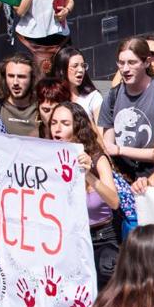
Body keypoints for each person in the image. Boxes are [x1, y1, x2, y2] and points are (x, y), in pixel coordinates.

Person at [49, 102, 121, 287]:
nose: (57, 129)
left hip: (100, 238)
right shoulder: (47, 158)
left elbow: (114, 202)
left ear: (77, 127)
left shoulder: (97, 159)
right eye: (54, 123)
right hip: (67, 238)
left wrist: (88, 175)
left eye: (65, 123)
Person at [100, 37, 154, 181]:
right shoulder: (113, 96)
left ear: (147, 62)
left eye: (132, 63)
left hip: (152, 177)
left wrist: (120, 150)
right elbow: (108, 145)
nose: (125, 69)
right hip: (122, 177)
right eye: (121, 63)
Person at [0, 53, 39, 137]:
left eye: (21, 77)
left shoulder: (42, 109)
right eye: (11, 76)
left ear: (32, 79)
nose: (15, 82)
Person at [52, 47, 103, 124]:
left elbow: (102, 134)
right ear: (62, 70)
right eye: (75, 66)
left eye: (83, 66)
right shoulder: (53, 97)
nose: (81, 70)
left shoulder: (93, 97)